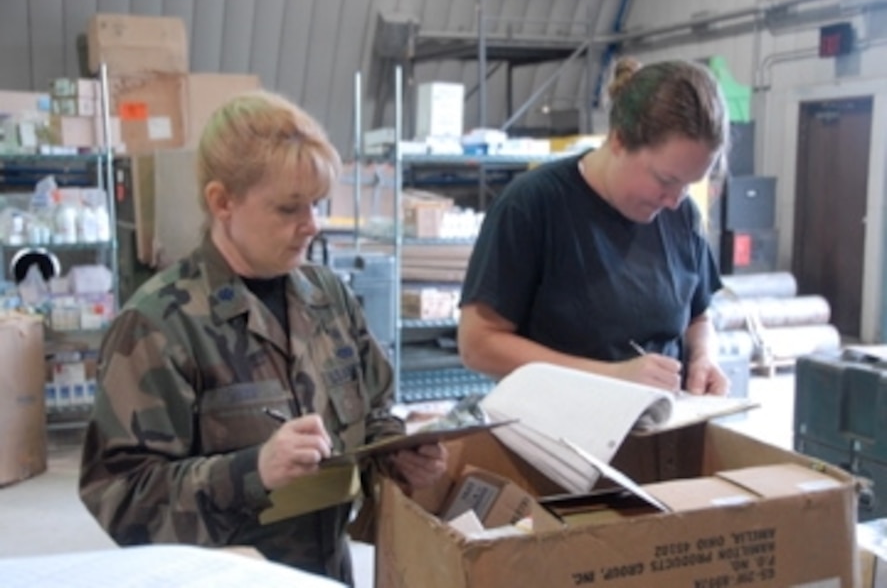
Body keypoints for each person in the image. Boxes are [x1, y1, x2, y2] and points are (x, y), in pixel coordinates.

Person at [79, 90, 447, 585]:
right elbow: (121, 498)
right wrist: (254, 471)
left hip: (329, 573)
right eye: (289, 208)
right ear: (222, 202)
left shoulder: (327, 298)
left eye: (317, 204)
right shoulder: (159, 325)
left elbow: (376, 412)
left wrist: (400, 455)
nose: (312, 225)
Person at [458, 58, 729, 396]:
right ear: (618, 140)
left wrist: (704, 357)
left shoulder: (682, 216)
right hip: (555, 434)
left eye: (689, 185)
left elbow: (698, 318)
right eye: (665, 180)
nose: (674, 200)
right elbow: (478, 344)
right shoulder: (532, 205)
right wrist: (611, 376)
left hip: (660, 430)